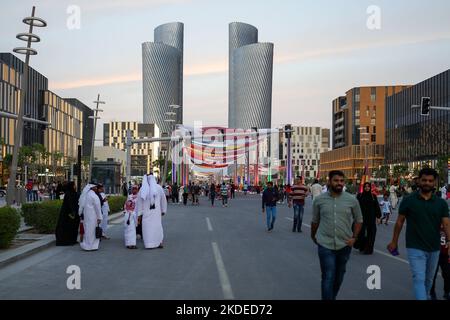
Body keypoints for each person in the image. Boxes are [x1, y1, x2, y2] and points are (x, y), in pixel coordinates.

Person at [388, 168, 450, 300]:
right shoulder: (409, 200)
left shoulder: (441, 203)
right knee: (419, 278)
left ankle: (426, 295)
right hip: (414, 246)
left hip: (434, 247)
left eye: (430, 181)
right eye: (424, 180)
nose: (427, 183)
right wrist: (394, 241)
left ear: (435, 183)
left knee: (428, 280)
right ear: (419, 181)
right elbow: (399, 222)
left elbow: (446, 225)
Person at [311, 170, 363, 300]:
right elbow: (315, 221)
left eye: (341, 181)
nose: (339, 183)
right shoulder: (319, 200)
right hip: (325, 243)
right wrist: (313, 236)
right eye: (336, 180)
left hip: (344, 244)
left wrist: (354, 238)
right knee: (328, 275)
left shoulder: (351, 199)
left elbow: (359, 220)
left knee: (339, 275)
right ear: (329, 182)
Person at [136, 174, 167, 249]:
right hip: (155, 213)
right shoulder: (158, 188)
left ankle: (150, 244)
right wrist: (163, 210)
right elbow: (163, 200)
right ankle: (157, 243)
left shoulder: (143, 189)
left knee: (148, 228)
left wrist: (139, 214)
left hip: (148, 213)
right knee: (156, 227)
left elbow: (139, 203)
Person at [355, 182, 382, 254]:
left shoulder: (373, 196)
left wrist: (378, 217)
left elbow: (376, 207)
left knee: (371, 234)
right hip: (361, 217)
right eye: (365, 186)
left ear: (370, 188)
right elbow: (356, 207)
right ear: (363, 187)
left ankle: (369, 249)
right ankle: (362, 246)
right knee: (361, 233)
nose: (367, 188)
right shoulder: (360, 196)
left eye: (368, 186)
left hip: (371, 218)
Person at [78, 183, 103, 251]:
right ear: (93, 187)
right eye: (95, 187)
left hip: (86, 216)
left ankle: (87, 245)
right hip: (93, 216)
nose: (96, 188)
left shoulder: (85, 195)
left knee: (87, 230)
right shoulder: (94, 196)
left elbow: (81, 206)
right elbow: (97, 207)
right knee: (92, 231)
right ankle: (91, 246)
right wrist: (99, 217)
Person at [55, 182, 80, 246]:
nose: (75, 186)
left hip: (73, 214)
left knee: (74, 227)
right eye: (74, 185)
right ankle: (67, 240)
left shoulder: (73, 193)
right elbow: (70, 204)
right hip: (68, 215)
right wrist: (73, 211)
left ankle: (73, 240)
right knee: (68, 227)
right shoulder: (69, 193)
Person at [430, 223, 450, 300]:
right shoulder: (434, 225)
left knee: (448, 274)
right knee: (433, 275)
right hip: (435, 253)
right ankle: (432, 293)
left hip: (446, 255)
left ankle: (447, 292)